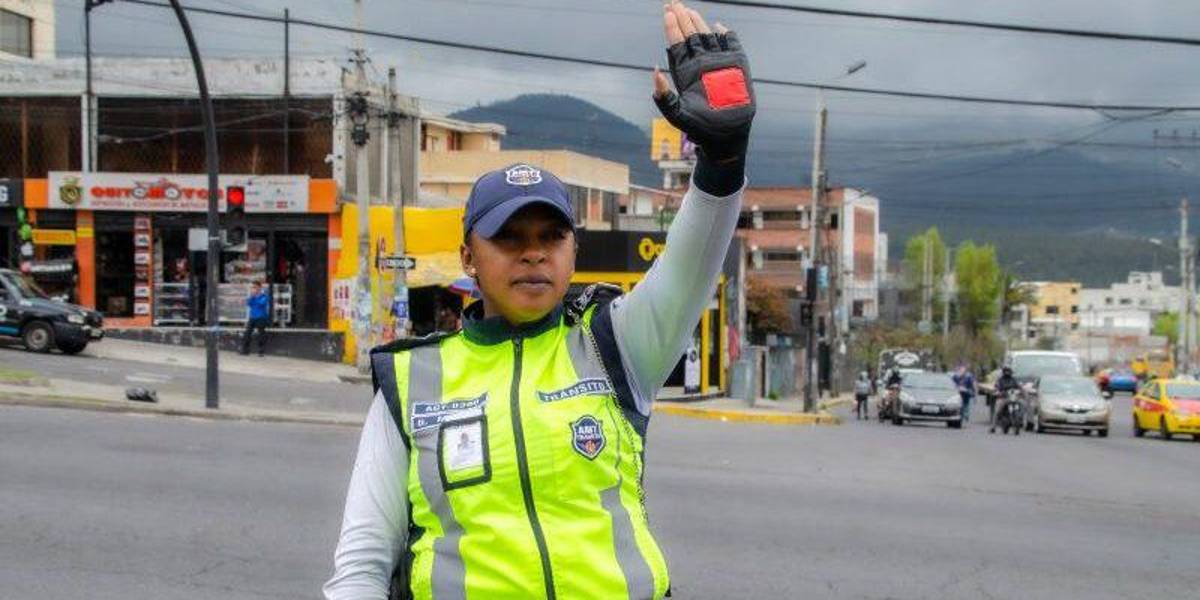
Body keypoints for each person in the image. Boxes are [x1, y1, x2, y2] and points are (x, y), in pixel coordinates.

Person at [323, 3, 755, 598]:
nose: (533, 254)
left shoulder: (616, 346)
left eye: (551, 236)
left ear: (574, 251)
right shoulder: (409, 381)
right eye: (508, 238)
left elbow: (692, 263)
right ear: (469, 257)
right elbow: (362, 565)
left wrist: (722, 162)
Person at [240, 281, 270, 356]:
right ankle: (245, 350)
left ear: (259, 287)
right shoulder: (252, 296)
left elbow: (261, 303)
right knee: (247, 333)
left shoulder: (264, 296)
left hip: (261, 317)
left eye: (255, 287)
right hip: (252, 317)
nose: (254, 289)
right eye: (253, 287)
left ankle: (261, 350)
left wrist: (255, 298)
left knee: (261, 334)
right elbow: (249, 303)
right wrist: (252, 296)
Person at [989, 366, 1021, 432]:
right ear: (1003, 372)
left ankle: (1017, 419)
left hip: (1012, 397)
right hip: (1003, 398)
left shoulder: (1013, 380)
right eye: (1006, 371)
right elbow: (996, 387)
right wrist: (998, 392)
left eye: (1008, 371)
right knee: (997, 411)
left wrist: (1022, 391)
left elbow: (1019, 386)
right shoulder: (1000, 380)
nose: (1007, 373)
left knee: (1022, 404)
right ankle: (993, 427)